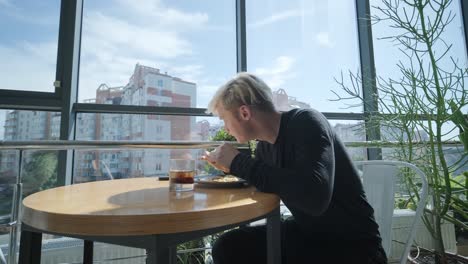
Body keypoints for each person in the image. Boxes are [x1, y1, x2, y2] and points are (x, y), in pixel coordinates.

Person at [202, 73, 388, 264]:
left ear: (244, 113)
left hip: (354, 247)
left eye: (224, 119)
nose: (225, 128)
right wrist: (230, 167)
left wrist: (238, 162)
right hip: (309, 234)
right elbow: (265, 181)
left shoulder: (307, 122)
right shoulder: (264, 148)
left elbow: (314, 198)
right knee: (229, 247)